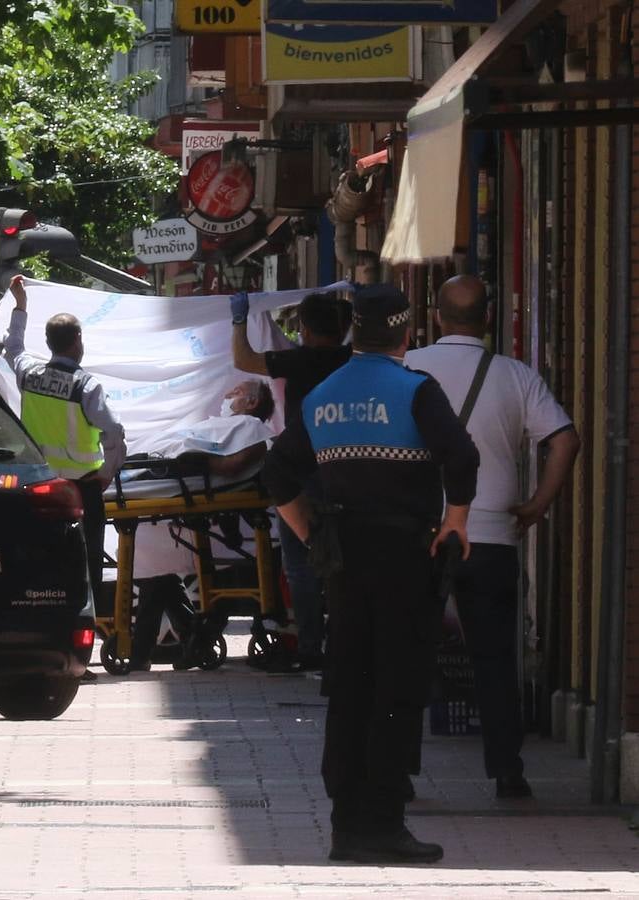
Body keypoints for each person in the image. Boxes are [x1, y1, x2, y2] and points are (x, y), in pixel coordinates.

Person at [263, 284, 479, 864]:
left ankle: (346, 826)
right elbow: (461, 457)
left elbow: (279, 475)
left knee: (350, 685)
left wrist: (311, 534)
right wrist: (454, 523)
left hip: (344, 561)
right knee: (397, 686)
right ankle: (383, 824)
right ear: (408, 333)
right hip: (407, 560)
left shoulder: (323, 394)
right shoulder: (414, 391)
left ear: (357, 330)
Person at [405, 274, 580, 800]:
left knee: (408, 655)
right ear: (488, 318)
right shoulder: (515, 375)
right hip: (492, 538)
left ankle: (399, 772)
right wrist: (536, 506)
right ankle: (507, 770)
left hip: (420, 536)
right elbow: (565, 441)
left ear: (436, 316)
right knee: (494, 660)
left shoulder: (408, 370)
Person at [232, 290, 353, 673]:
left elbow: (244, 359)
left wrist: (239, 320)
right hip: (345, 468)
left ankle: (311, 644)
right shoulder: (353, 360)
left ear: (303, 328)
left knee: (301, 562)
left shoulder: (301, 359)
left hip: (300, 470)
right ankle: (347, 641)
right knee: (345, 556)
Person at [126, 379, 277, 671]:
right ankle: (184, 636)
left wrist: (196, 460)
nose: (228, 393)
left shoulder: (251, 428)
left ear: (252, 403)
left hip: (174, 472)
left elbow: (233, 465)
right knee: (157, 572)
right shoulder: (224, 426)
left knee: (156, 574)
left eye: (237, 391)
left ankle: (159, 645)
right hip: (165, 468)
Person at [4, 274, 126, 602]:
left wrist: (21, 306)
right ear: (77, 340)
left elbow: (12, 348)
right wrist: (106, 473)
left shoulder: (30, 373)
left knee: (41, 560)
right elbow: (113, 432)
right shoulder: (85, 385)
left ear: (48, 342)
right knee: (85, 564)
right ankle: (87, 620)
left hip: (39, 488)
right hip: (81, 490)